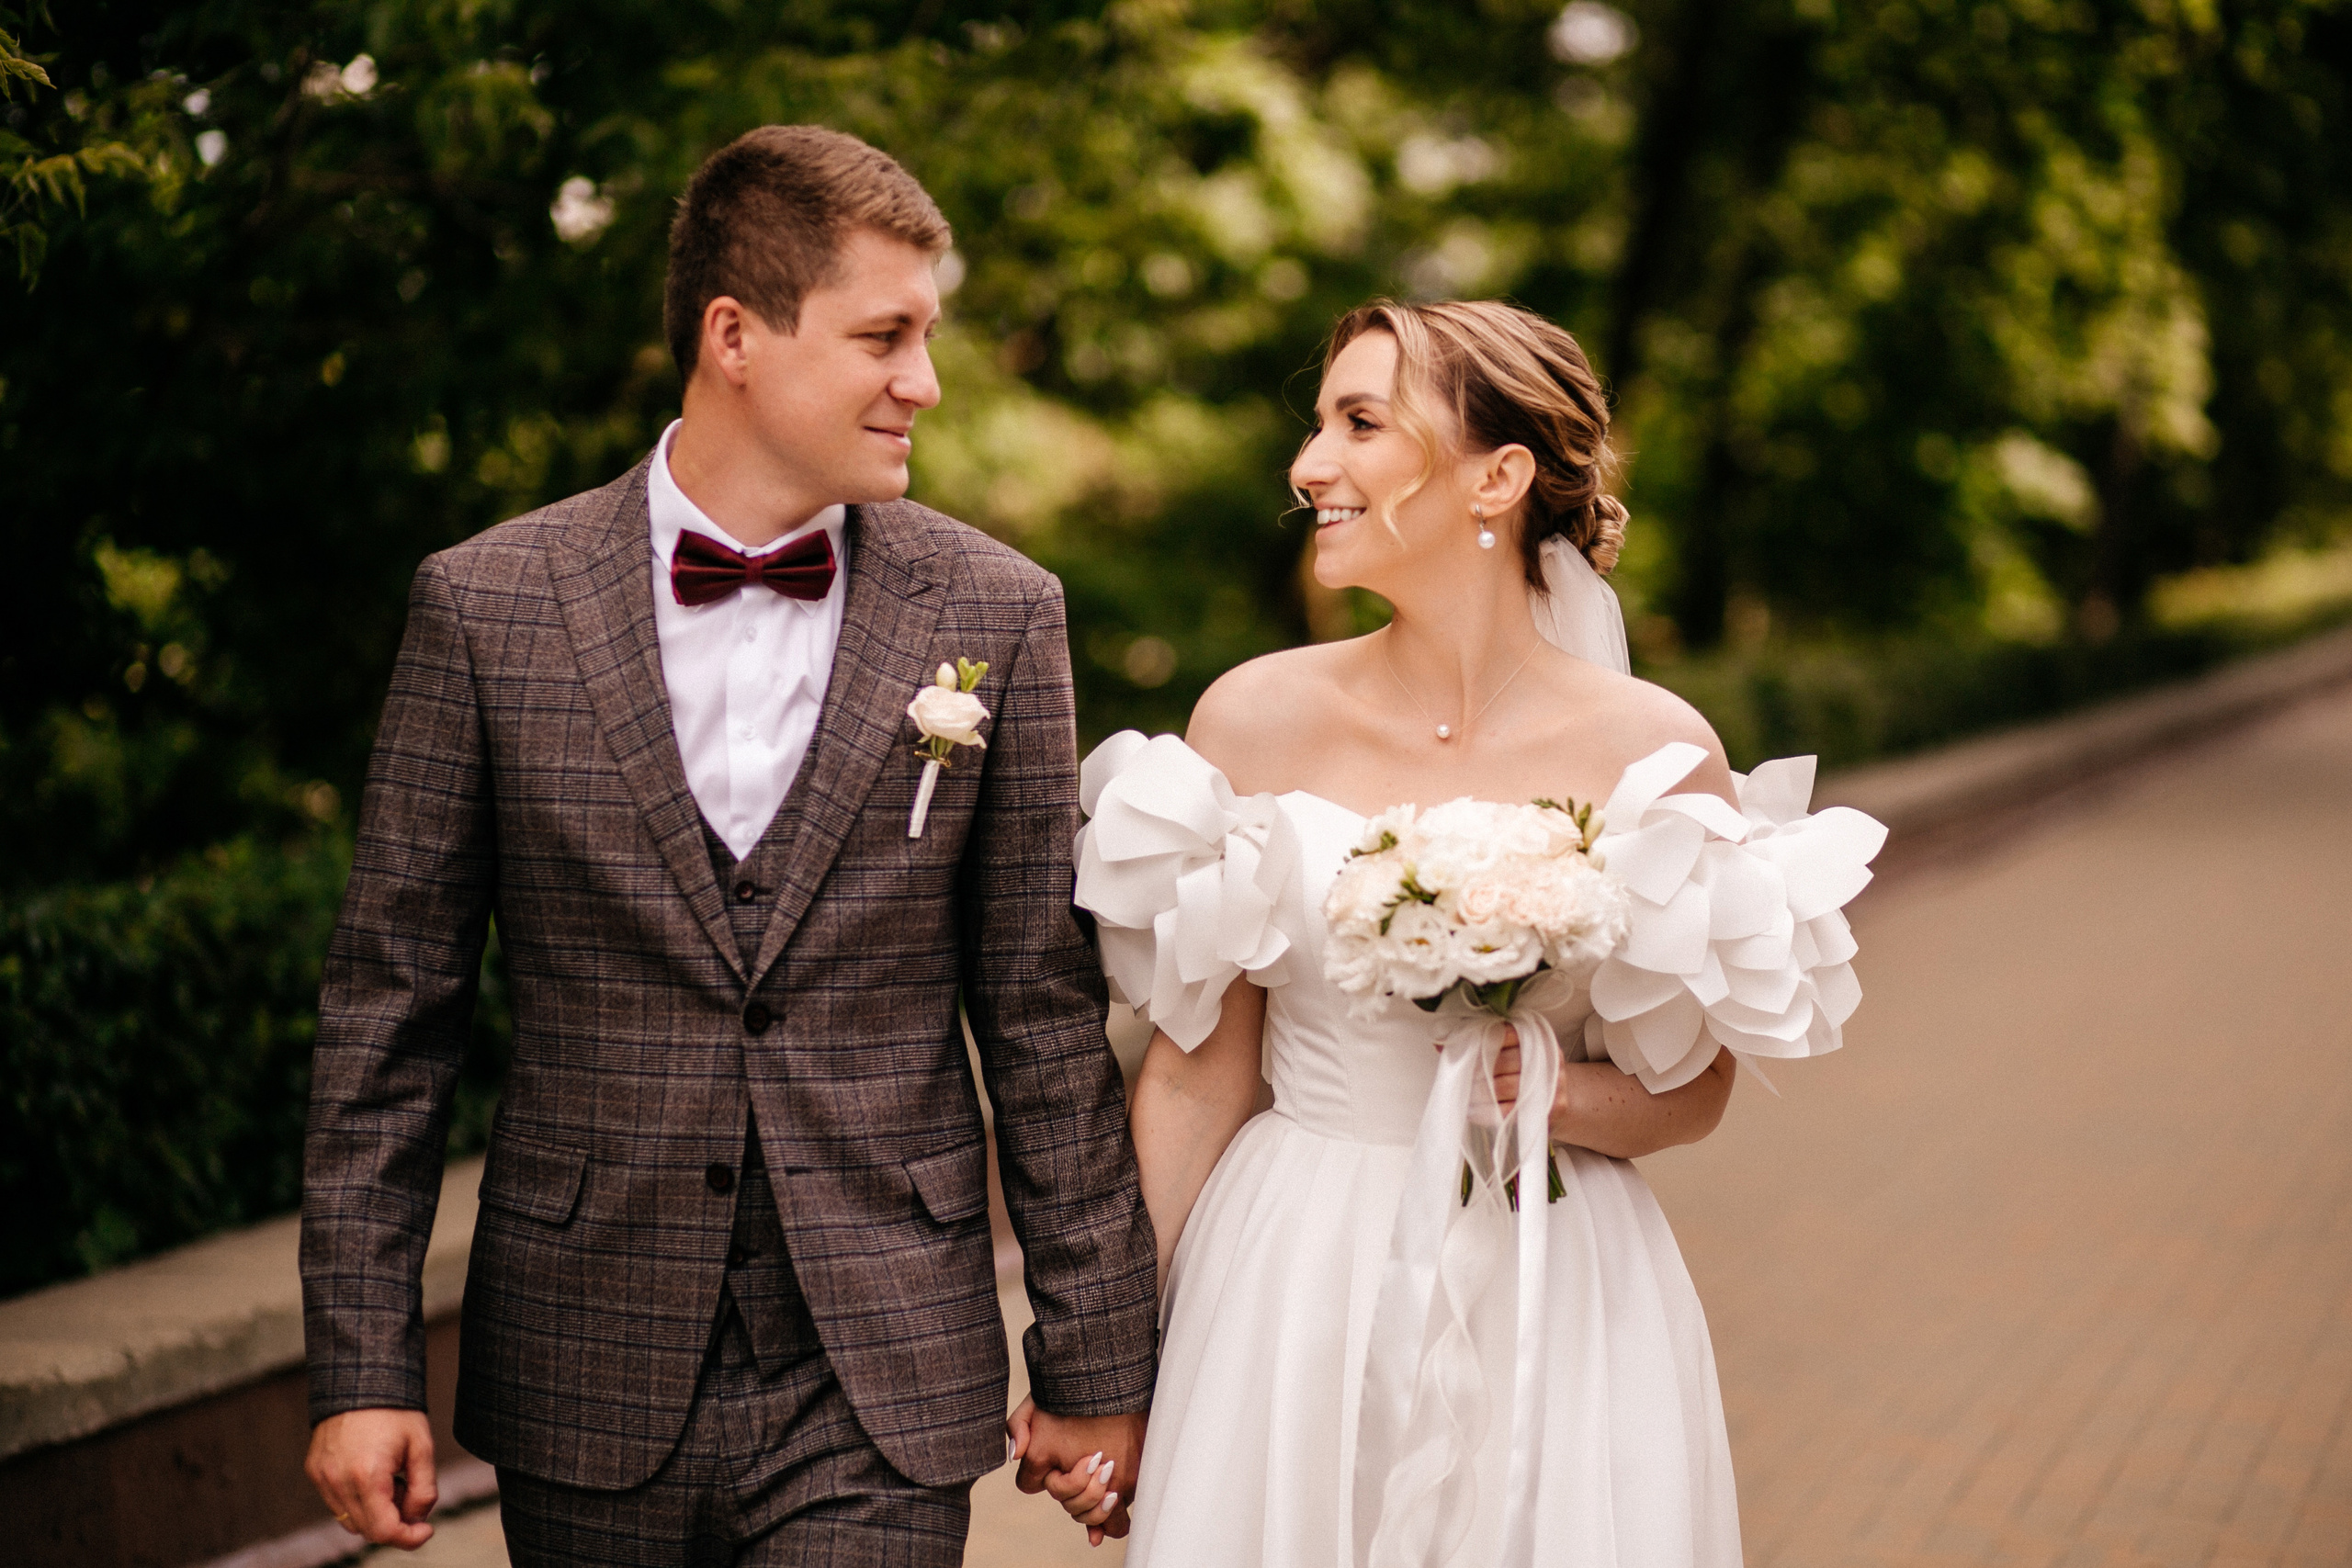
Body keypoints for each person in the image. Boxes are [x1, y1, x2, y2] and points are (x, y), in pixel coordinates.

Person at [298, 124, 1157, 1567]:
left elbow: (1041, 1017)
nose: (923, 383)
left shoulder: (998, 610)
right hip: (587, 1359)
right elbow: (392, 1014)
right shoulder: (487, 606)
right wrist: (365, 1364)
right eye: (884, 335)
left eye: (927, 336)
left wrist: (1096, 1359)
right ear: (734, 334)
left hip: (879, 1367)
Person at [1046, 299, 1885, 1564]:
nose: (1309, 463)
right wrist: (1106, 1367)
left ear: (1500, 476)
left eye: (1361, 422)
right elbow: (1194, 1071)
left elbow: (1695, 1088)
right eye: (1316, 424)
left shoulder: (1655, 750)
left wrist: (1551, 1093)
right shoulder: (1252, 718)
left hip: (1554, 1281)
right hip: (1291, 1275)